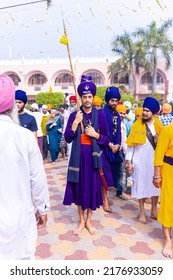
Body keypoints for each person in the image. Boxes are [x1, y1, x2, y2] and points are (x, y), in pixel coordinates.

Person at [0, 75, 50, 260]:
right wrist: (42, 208)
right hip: (18, 219)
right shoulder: (25, 136)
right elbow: (37, 178)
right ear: (12, 106)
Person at [63, 75, 110, 235]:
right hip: (78, 158)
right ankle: (81, 220)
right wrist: (75, 123)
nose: (88, 99)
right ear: (81, 98)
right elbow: (68, 138)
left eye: (90, 96)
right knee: (79, 188)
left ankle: (89, 220)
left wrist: (96, 135)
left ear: (93, 97)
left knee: (91, 188)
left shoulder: (101, 115)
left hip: (93, 158)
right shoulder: (74, 115)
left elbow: (106, 138)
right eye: (85, 97)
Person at [125, 97, 163, 223]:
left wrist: (159, 140)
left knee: (155, 187)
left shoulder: (158, 125)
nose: (144, 113)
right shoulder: (137, 125)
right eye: (144, 110)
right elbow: (130, 146)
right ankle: (141, 212)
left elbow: (163, 144)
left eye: (147, 111)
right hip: (139, 162)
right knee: (139, 186)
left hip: (154, 163)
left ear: (153, 112)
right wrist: (129, 162)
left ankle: (153, 210)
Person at [153, 123, 173, 258]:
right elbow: (159, 153)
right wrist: (157, 175)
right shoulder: (168, 130)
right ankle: (167, 240)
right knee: (167, 204)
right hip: (169, 170)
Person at [103, 86, 127, 200]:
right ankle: (104, 198)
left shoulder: (117, 114)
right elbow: (102, 131)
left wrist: (117, 145)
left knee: (117, 171)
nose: (114, 102)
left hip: (116, 148)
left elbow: (118, 132)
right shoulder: (102, 113)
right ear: (108, 100)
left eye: (116, 100)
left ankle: (117, 192)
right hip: (105, 148)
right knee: (104, 172)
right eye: (112, 100)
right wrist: (110, 144)